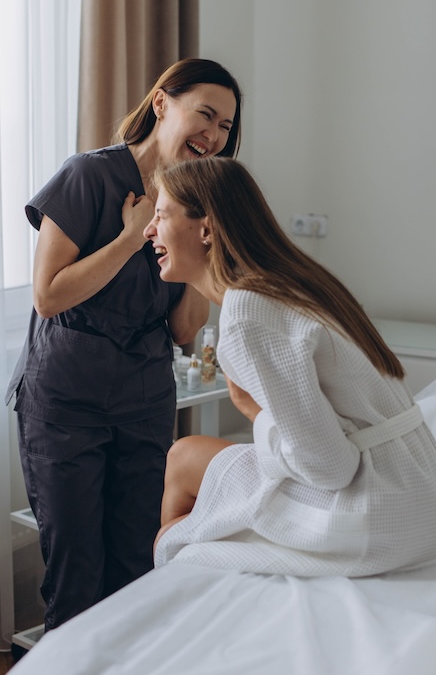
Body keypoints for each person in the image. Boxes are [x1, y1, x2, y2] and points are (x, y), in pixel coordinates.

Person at [5, 59, 243, 630]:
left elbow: (185, 330)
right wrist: (131, 236)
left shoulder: (197, 199)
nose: (214, 135)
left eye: (227, 127)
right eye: (205, 114)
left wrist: (202, 242)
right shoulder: (88, 177)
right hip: (65, 402)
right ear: (162, 103)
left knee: (140, 564)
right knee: (76, 574)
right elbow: (48, 297)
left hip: (142, 400)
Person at [144, 157, 436, 578]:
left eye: (160, 215)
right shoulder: (292, 283)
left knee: (173, 541)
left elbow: (329, 468)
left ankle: (167, 591)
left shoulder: (248, 311)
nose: (149, 230)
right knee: (183, 456)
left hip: (379, 514)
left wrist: (253, 411)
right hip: (423, 492)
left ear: (206, 229)